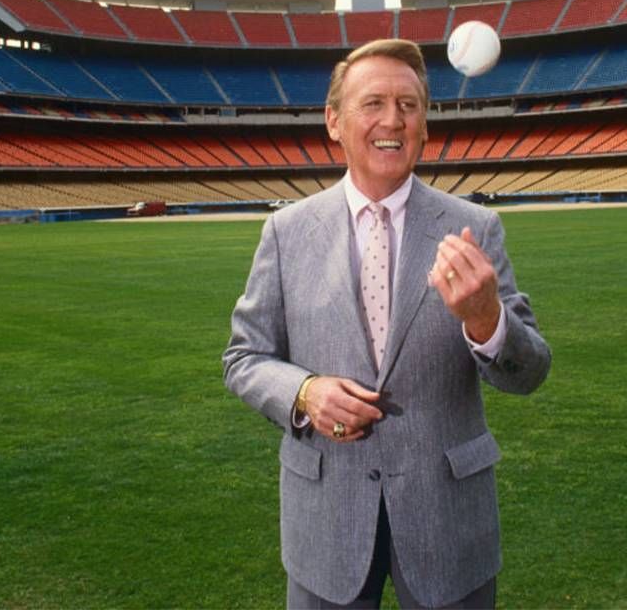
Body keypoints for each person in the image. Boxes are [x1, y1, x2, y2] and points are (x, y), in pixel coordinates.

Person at [223, 38, 551, 609]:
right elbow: (244, 358)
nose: (392, 120)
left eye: (408, 105)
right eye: (372, 103)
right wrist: (304, 392)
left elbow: (528, 374)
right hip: (326, 523)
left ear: (425, 125)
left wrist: (486, 320)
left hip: (448, 522)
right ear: (335, 121)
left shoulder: (476, 227)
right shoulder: (287, 232)